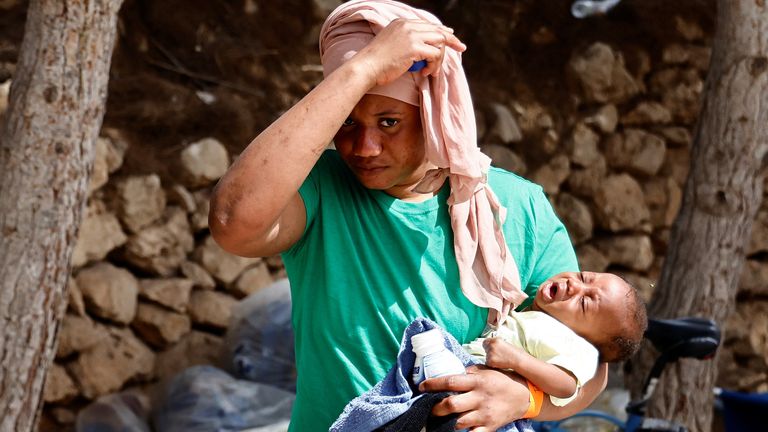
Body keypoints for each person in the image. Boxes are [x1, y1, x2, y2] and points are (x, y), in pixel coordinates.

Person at [209, 0, 608, 430]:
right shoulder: (320, 190)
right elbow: (234, 221)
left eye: (388, 122)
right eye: (346, 121)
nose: (364, 147)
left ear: (434, 113)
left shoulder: (515, 207)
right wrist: (364, 68)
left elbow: (591, 366)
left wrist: (524, 397)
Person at [465, 271, 648, 407]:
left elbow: (566, 386)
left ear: (584, 340)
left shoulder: (577, 347)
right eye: (583, 277)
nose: (574, 285)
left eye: (584, 303)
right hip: (469, 369)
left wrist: (517, 359)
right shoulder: (536, 313)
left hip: (484, 393)